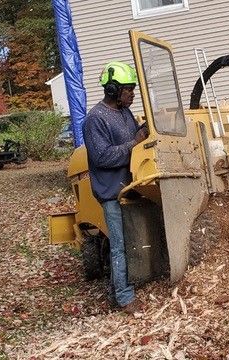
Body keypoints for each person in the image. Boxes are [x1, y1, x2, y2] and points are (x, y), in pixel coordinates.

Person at [83, 61, 148, 314]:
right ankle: (123, 297)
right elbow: (103, 157)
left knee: (131, 241)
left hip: (130, 185)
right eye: (128, 89)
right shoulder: (95, 119)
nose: (132, 94)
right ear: (112, 90)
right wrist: (134, 142)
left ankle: (120, 287)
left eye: (133, 89)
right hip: (112, 192)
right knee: (120, 244)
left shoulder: (124, 112)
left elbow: (135, 139)